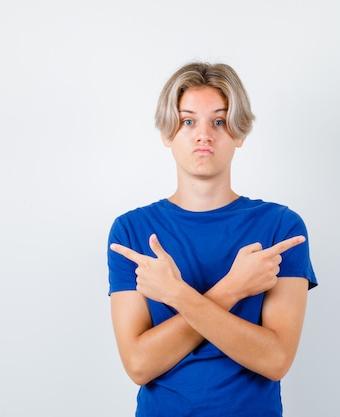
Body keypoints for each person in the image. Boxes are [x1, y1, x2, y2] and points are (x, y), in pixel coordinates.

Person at [107, 61, 318, 417]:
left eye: (218, 121)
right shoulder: (131, 231)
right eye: (188, 121)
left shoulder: (281, 227)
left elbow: (276, 359)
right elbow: (139, 365)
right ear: (167, 132)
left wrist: (177, 294)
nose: (203, 135)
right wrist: (232, 289)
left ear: (239, 133)